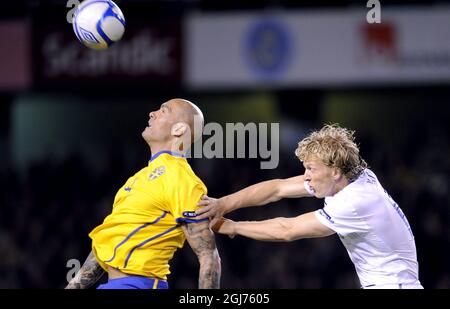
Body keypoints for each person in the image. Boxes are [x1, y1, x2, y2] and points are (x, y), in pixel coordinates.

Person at [196, 124, 423, 289]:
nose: (306, 176)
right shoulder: (354, 176)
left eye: (311, 169)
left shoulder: (353, 202)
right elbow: (278, 188)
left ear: (334, 171)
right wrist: (223, 203)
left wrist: (232, 227)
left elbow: (287, 230)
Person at [66, 98, 221, 289]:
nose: (152, 113)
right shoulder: (137, 178)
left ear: (179, 130)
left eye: (164, 111)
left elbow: (208, 256)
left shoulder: (183, 180)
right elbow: (108, 242)